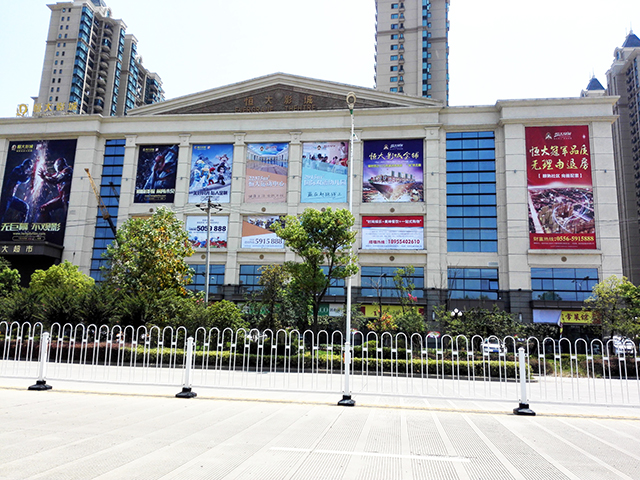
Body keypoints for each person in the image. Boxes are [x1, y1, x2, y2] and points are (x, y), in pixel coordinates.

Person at [38, 157, 73, 221]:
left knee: (67, 216)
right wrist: (45, 174)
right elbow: (53, 176)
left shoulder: (67, 170)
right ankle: (48, 225)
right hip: (61, 197)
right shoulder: (60, 172)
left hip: (68, 197)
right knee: (43, 208)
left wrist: (45, 177)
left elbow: (56, 180)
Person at [1, 158, 33, 222]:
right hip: (6, 197)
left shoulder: (21, 171)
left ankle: (21, 226)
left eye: (29, 167)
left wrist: (29, 175)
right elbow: (22, 179)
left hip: (11, 198)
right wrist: (29, 175)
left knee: (25, 207)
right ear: (25, 165)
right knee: (1, 215)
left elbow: (24, 179)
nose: (28, 169)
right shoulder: (17, 170)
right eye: (28, 167)